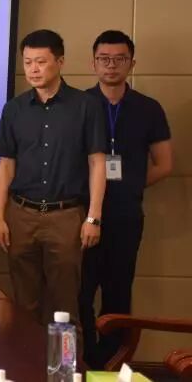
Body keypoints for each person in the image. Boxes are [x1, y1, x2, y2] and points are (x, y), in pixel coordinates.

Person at [0, 29, 107, 324]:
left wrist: (93, 217)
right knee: (24, 303)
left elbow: (97, 162)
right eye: (28, 62)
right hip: (21, 214)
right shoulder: (14, 109)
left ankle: (66, 357)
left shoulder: (85, 106)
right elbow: (6, 165)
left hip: (66, 215)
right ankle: (27, 355)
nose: (33, 69)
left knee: (64, 305)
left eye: (41, 62)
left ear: (60, 61)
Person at [79, 30, 173, 368]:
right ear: (93, 63)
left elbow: (164, 164)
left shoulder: (148, 108)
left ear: (132, 63)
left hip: (126, 215)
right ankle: (84, 360)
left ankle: (111, 364)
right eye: (104, 59)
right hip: (82, 214)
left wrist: (130, 185)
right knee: (80, 291)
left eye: (119, 59)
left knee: (118, 291)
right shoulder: (79, 104)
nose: (111, 65)